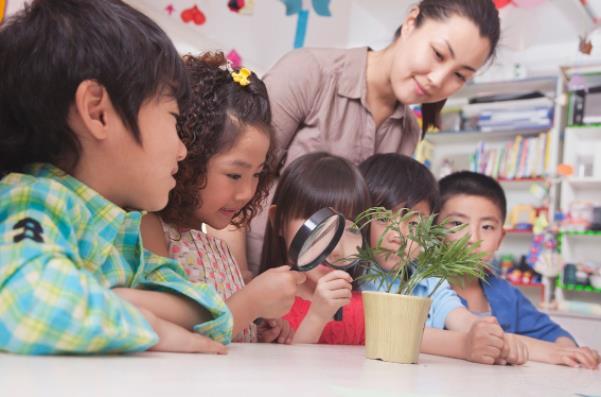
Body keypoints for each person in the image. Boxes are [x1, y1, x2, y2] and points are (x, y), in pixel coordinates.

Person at [0, 0, 230, 355]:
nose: (182, 151)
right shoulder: (34, 199)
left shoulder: (121, 230)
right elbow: (27, 303)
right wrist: (150, 325)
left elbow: (211, 310)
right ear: (98, 112)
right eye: (173, 118)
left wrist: (122, 299)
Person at [218, 0, 503, 277]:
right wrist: (237, 276)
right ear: (411, 22)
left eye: (459, 75)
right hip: (256, 273)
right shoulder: (310, 73)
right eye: (439, 54)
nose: (438, 80)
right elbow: (233, 181)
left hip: (327, 293)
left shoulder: (408, 132)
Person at [260, 153, 524, 365]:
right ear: (278, 221)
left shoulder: (358, 301)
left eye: (347, 229)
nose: (332, 246)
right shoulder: (271, 293)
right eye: (384, 219)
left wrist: (483, 340)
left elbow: (408, 335)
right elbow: (293, 367)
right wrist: (317, 314)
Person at [141, 52, 304, 344]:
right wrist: (250, 303)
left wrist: (255, 327)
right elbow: (164, 332)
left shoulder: (218, 249)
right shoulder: (150, 228)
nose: (247, 192)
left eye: (257, 174)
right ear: (188, 157)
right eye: (234, 175)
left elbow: (228, 326)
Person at [358, 153, 527, 365]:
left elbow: (457, 314)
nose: (398, 236)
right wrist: (464, 346)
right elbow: (388, 330)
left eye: (413, 224)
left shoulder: (425, 275)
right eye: (383, 219)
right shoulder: (356, 275)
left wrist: (490, 336)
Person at [439, 171, 601, 369]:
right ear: (432, 229)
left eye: (487, 227)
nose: (473, 238)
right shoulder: (422, 287)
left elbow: (554, 335)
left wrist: (568, 352)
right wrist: (549, 352)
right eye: (457, 224)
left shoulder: (506, 294)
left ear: (500, 238)